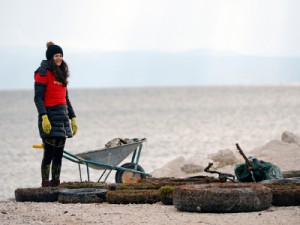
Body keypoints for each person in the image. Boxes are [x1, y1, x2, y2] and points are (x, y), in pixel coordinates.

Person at [34, 41, 78, 187]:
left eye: (60, 55)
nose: (59, 58)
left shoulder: (61, 74)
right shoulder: (42, 72)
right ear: (50, 57)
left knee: (58, 156)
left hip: (62, 118)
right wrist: (44, 116)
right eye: (56, 55)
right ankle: (45, 185)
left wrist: (73, 117)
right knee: (49, 155)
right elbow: (38, 98)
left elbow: (66, 99)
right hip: (50, 117)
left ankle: (55, 184)